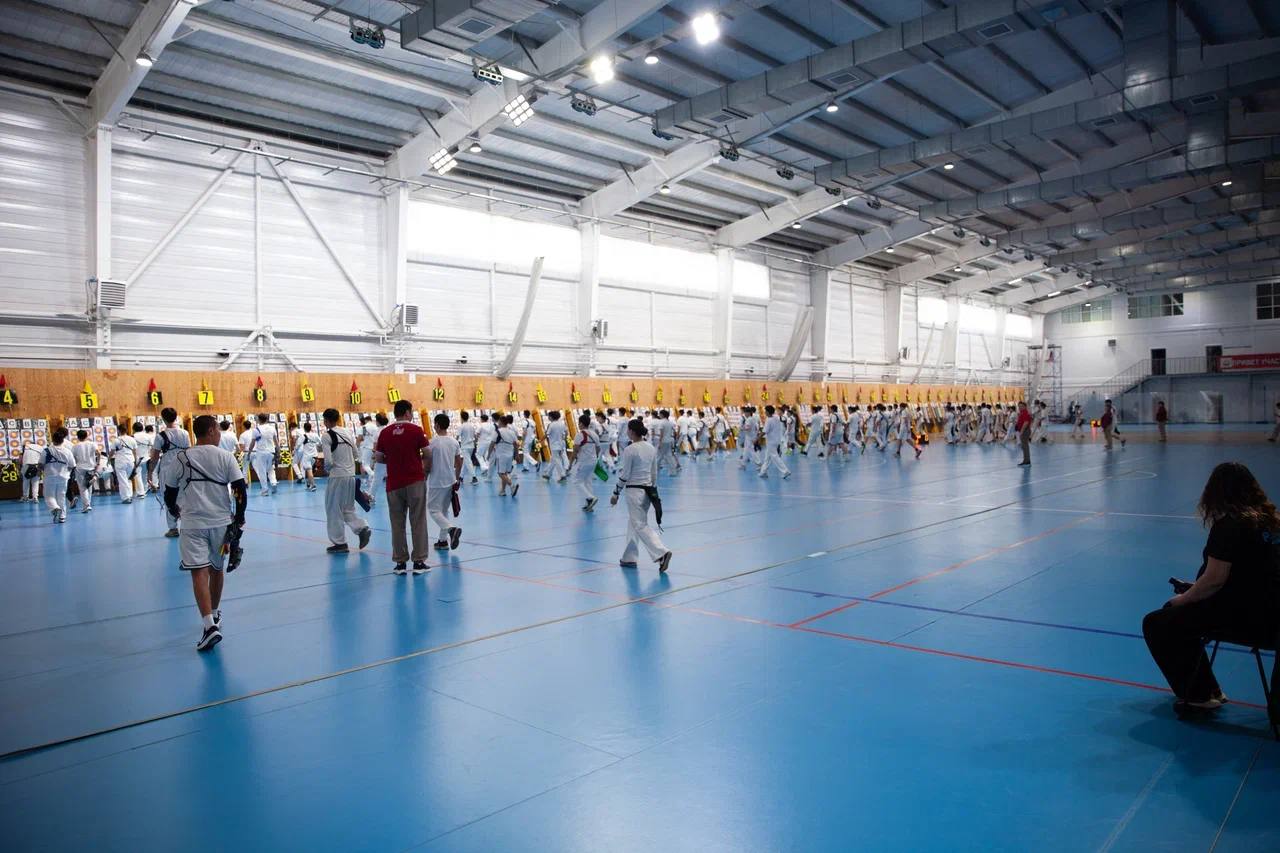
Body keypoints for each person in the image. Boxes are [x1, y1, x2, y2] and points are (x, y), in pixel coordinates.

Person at [1142, 463, 1280, 711]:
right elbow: (1251, 573)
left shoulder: (1230, 525)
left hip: (1250, 618)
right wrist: (1196, 587)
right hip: (1270, 612)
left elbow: (1215, 579)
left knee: (1159, 621)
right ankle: (1209, 689)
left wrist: (1183, 599)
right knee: (1185, 614)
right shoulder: (1271, 521)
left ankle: (1200, 694)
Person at [163, 415, 247, 652]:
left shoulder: (181, 458)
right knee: (217, 568)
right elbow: (239, 489)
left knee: (198, 572)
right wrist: (239, 518)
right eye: (218, 430)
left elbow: (169, 492)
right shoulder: (225, 456)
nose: (220, 434)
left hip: (192, 525)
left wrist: (175, 510)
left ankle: (209, 625)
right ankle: (215, 613)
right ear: (210, 431)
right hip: (221, 524)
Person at [374, 399, 430, 575]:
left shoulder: (385, 432)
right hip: (414, 480)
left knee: (397, 523)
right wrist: (424, 469)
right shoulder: (416, 430)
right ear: (407, 412)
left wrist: (393, 461)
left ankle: (400, 563)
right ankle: (419, 562)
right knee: (418, 520)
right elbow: (427, 453)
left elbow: (378, 457)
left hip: (394, 483)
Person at [610, 418, 672, 573]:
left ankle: (662, 552)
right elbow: (654, 472)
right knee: (633, 523)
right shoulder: (650, 448)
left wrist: (616, 492)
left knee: (639, 525)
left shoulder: (630, 450)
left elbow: (625, 474)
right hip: (647, 491)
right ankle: (629, 558)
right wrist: (653, 491)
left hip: (634, 492)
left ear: (631, 431)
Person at [320, 408, 371, 555]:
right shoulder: (347, 432)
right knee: (347, 508)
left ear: (326, 420)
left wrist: (327, 469)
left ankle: (340, 543)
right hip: (351, 476)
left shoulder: (326, 436)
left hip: (337, 476)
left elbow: (328, 461)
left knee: (333, 509)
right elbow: (356, 453)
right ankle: (361, 528)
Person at [150, 409, 191, 537]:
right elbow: (189, 450)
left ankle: (173, 528)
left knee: (168, 497)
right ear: (176, 417)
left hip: (167, 469)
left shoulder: (160, 436)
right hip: (184, 467)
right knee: (184, 497)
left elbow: (155, 457)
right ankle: (187, 525)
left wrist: (150, 472)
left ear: (163, 419)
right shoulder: (185, 433)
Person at [426, 413, 463, 550]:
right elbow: (459, 462)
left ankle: (451, 529)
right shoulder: (454, 442)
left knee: (433, 510)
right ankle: (442, 541)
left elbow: (427, 464)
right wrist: (457, 478)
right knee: (443, 510)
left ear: (436, 425)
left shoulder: (431, 443)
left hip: (436, 481)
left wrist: (424, 477)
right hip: (450, 480)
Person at [42, 427, 75, 523]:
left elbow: (41, 463)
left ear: (53, 439)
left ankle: (55, 508)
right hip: (64, 477)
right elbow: (72, 465)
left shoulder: (47, 450)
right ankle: (62, 516)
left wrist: (40, 470)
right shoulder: (68, 450)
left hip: (50, 475)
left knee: (49, 496)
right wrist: (67, 472)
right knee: (61, 496)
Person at [573, 412, 603, 512]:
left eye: (579, 423)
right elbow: (598, 449)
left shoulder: (579, 435)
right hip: (593, 461)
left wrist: (570, 463)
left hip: (584, 461)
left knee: (577, 481)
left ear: (581, 423)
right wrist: (594, 458)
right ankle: (589, 505)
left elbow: (575, 450)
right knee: (588, 481)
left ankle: (590, 498)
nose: (578, 424)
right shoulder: (594, 434)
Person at [246, 413, 279, 498]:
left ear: (259, 420)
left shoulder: (256, 430)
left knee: (262, 471)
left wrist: (249, 452)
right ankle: (273, 482)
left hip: (261, 453)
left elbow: (252, 443)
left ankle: (265, 491)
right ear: (267, 419)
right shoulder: (272, 428)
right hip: (271, 452)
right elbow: (276, 441)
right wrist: (278, 451)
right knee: (271, 469)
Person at [490, 413, 520, 497]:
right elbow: (516, 444)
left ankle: (512, 485)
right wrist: (517, 455)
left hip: (501, 455)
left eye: (499, 421)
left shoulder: (498, 431)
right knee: (505, 473)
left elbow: (492, 444)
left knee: (500, 473)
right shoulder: (511, 432)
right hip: (510, 455)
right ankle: (503, 491)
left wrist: (488, 454)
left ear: (501, 422)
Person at [70, 429, 100, 513]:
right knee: (89, 486)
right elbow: (98, 453)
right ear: (87, 436)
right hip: (91, 467)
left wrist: (75, 464)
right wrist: (97, 463)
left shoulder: (75, 446)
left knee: (82, 487)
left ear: (77, 437)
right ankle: (88, 504)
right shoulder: (92, 444)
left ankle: (86, 505)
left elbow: (72, 458)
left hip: (80, 468)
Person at [759, 405, 791, 479]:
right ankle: (763, 472)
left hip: (771, 442)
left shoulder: (769, 420)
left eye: (765, 411)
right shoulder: (776, 418)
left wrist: (757, 438)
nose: (765, 412)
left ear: (767, 412)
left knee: (775, 457)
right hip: (776, 440)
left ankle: (785, 471)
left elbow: (765, 431)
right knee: (767, 457)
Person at [111, 421, 139, 504]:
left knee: (122, 479)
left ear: (118, 430)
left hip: (120, 461)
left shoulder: (116, 440)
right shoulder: (132, 439)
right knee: (128, 479)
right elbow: (135, 451)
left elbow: (112, 452)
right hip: (130, 460)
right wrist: (135, 462)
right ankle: (129, 495)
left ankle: (126, 498)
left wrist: (109, 458)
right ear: (126, 430)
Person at [295, 423, 320, 491]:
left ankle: (313, 485)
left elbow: (298, 445)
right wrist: (315, 444)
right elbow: (320, 443)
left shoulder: (303, 436)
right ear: (311, 428)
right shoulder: (315, 435)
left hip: (307, 456)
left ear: (304, 428)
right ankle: (309, 484)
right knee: (310, 470)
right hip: (315, 456)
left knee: (309, 470)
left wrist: (294, 451)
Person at [20, 437, 43, 503]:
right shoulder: (40, 447)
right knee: (35, 483)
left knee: (26, 482)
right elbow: (42, 458)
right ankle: (35, 498)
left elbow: (20, 459)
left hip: (26, 466)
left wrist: (20, 467)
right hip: (36, 466)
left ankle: (25, 497)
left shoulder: (25, 447)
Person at [133, 422, 153, 496]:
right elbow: (151, 446)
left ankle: (141, 492)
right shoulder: (148, 436)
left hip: (137, 458)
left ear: (133, 429)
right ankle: (145, 489)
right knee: (144, 475)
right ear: (142, 428)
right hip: (146, 457)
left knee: (137, 475)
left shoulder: (133, 436)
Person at [236, 418, 254, 484]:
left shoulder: (243, 435)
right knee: (258, 468)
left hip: (246, 453)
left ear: (243, 426)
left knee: (245, 469)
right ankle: (262, 482)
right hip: (255, 452)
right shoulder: (254, 433)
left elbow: (242, 447)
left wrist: (240, 456)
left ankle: (245, 483)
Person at [1015, 401, 1033, 467]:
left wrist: (1022, 431)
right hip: (1023, 430)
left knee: (1025, 446)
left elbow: (1026, 422)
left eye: (1022, 406)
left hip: (1025, 431)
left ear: (1025, 407)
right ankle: (1026, 460)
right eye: (1019, 406)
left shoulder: (1025, 413)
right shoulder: (1022, 413)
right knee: (1024, 446)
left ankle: (1027, 461)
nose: (1020, 407)